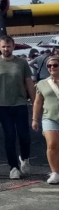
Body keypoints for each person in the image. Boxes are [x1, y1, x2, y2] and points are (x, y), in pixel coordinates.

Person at [0, 35, 35, 180]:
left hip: (20, 103)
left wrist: (35, 102)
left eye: (9, 46)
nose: (6, 49)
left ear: (13, 47)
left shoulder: (22, 63)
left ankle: (24, 158)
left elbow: (29, 83)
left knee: (24, 136)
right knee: (10, 135)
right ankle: (13, 167)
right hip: (2, 105)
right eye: (3, 46)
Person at [31, 55, 59, 185]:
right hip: (49, 117)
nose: (52, 68)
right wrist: (35, 119)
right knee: (52, 144)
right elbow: (37, 102)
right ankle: (55, 173)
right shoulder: (42, 83)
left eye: (55, 65)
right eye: (49, 66)